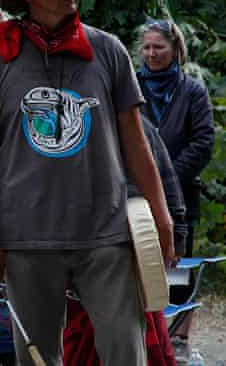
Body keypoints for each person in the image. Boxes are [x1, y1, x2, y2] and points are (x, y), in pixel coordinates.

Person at [0, 0, 175, 365]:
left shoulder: (107, 51)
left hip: (107, 232)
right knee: (38, 356)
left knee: (124, 350)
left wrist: (162, 214)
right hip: (26, 236)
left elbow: (136, 144)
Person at [63, 115, 186, 366]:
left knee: (131, 341)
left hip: (131, 251)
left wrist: (175, 238)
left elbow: (164, 179)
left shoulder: (134, 122)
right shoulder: (66, 123)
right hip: (76, 252)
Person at [137, 18, 214, 357]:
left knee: (177, 268)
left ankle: (178, 338)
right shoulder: (132, 85)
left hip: (181, 193)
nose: (151, 53)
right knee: (135, 265)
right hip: (134, 195)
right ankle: (142, 333)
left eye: (159, 47)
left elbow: (203, 141)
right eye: (147, 46)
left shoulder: (192, 90)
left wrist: (165, 175)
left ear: (175, 49)